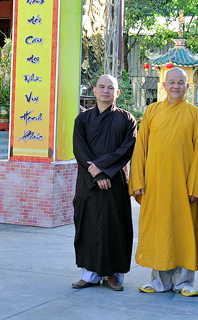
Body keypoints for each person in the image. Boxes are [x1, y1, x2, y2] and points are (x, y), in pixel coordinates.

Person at [129, 66, 198, 297]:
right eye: (171, 82)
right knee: (160, 231)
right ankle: (159, 281)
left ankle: (185, 282)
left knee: (184, 231)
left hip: (183, 185)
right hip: (155, 184)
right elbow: (140, 148)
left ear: (187, 86)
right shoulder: (152, 111)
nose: (176, 86)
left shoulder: (194, 114)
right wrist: (138, 180)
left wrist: (195, 185)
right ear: (163, 85)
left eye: (180, 83)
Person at [72, 74, 138, 292]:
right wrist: (97, 175)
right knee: (88, 224)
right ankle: (89, 275)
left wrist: (103, 169)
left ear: (117, 92)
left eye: (110, 88)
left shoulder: (126, 119)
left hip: (115, 181)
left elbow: (127, 149)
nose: (105, 91)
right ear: (95, 90)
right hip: (88, 182)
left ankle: (113, 275)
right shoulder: (82, 119)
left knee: (115, 226)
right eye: (101, 87)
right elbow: (79, 149)